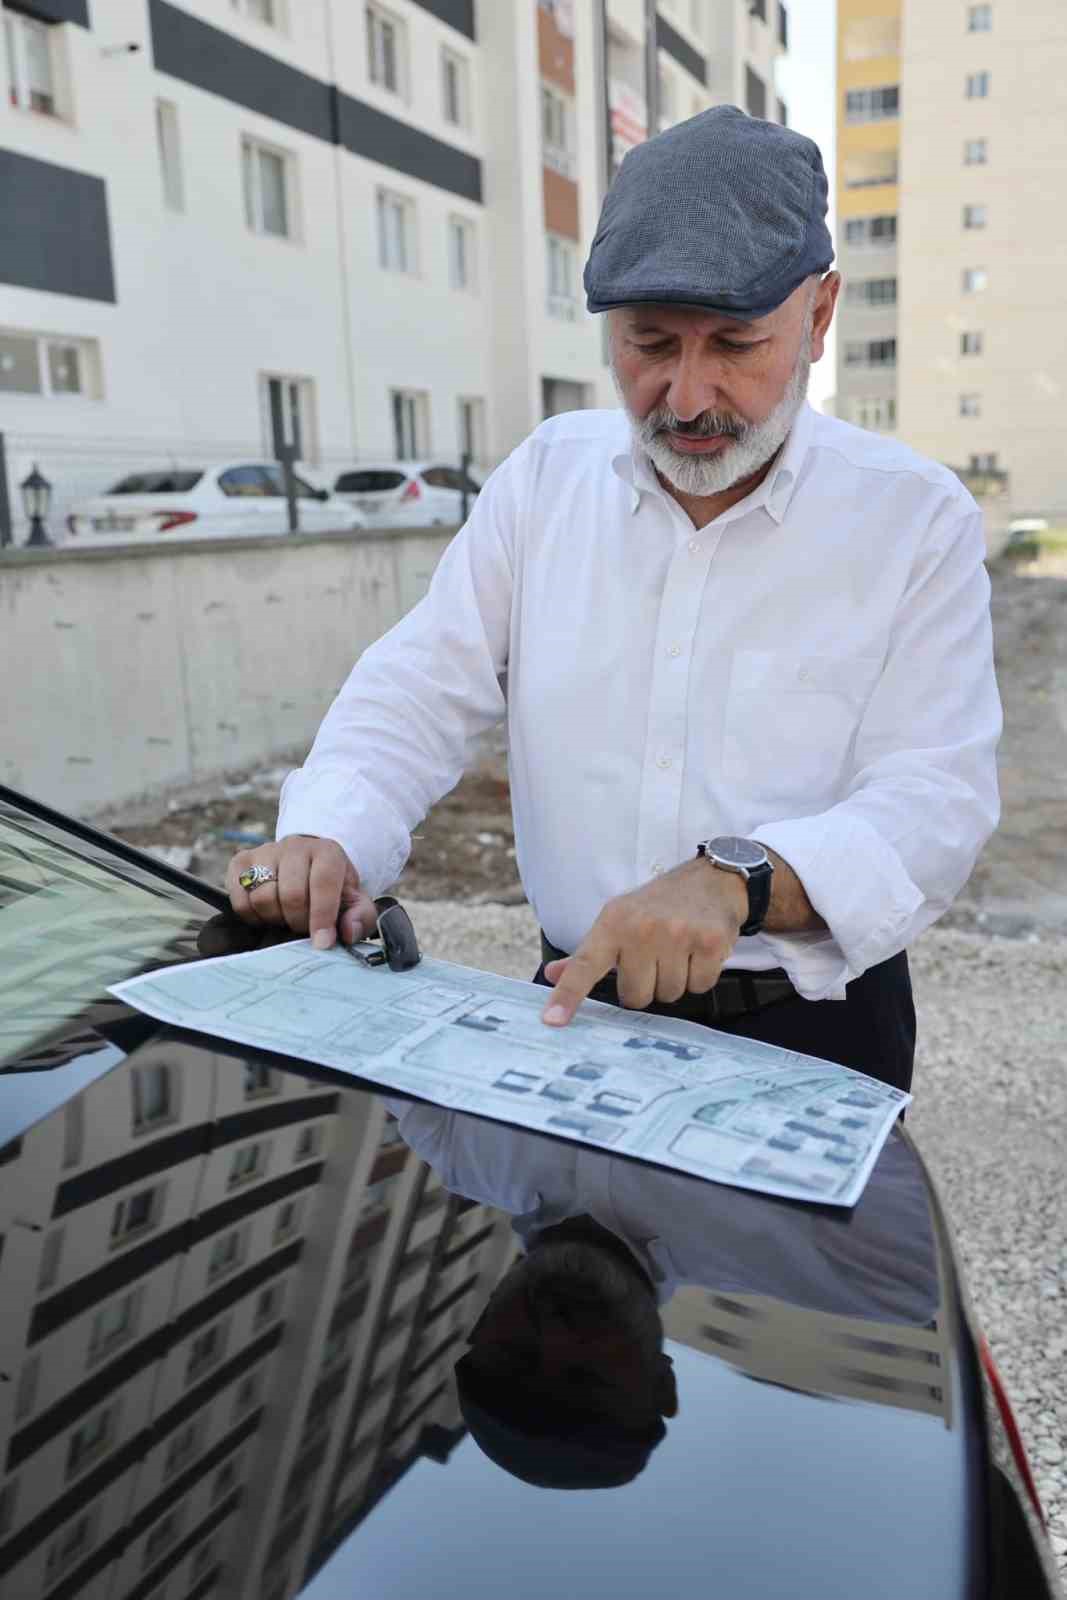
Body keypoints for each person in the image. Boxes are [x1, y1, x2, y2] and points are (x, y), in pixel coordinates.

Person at [225, 106, 1002, 1095]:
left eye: (732, 343)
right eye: (647, 344)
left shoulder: (911, 517)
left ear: (817, 315)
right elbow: (419, 690)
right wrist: (328, 833)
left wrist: (740, 880)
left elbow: (934, 799)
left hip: (811, 1034)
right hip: (569, 1007)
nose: (683, 398)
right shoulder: (546, 477)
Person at [383, 1096, 940, 1488]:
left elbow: (374, 986)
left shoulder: (457, 1147)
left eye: (518, 1354)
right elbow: (919, 1281)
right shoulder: (830, 1262)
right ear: (661, 1382)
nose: (555, 1331)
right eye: (586, 1374)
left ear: (481, 1328)